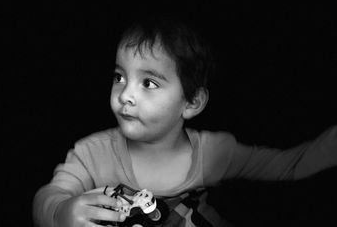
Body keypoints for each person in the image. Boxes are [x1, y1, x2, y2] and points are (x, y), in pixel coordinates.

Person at [33, 15, 337, 227]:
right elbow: (47, 196)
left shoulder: (215, 153)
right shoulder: (91, 154)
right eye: (119, 76)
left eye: (148, 83)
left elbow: (290, 165)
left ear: (192, 103)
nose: (125, 94)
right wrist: (59, 212)